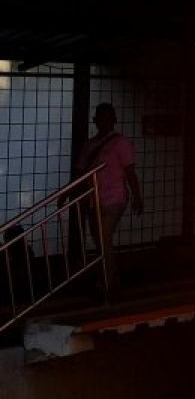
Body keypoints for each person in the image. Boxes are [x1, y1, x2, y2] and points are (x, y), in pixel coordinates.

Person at [72, 103, 143, 294]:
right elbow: (81, 172)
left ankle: (106, 282)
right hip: (95, 200)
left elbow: (130, 172)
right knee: (101, 239)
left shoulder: (118, 143)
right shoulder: (92, 144)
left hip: (113, 198)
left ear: (111, 121)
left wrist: (137, 196)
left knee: (102, 239)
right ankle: (111, 277)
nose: (103, 122)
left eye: (105, 118)